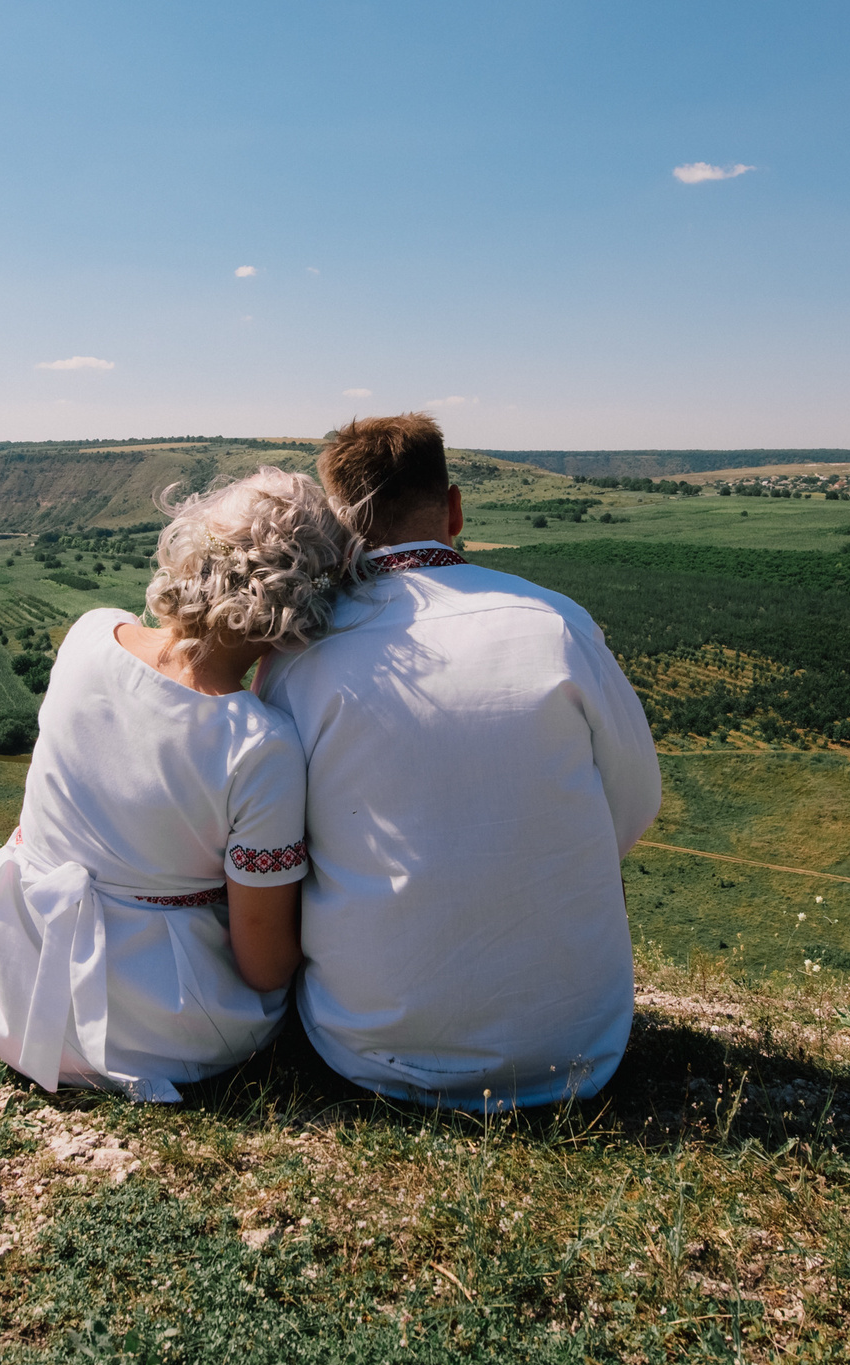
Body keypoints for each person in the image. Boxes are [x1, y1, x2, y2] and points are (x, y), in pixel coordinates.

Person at [257, 414, 661, 1108]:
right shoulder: (557, 623)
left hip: (366, 1044)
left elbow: (276, 840)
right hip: (578, 1045)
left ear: (339, 523)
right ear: (453, 507)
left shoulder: (300, 656)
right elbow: (633, 805)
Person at [0, 468, 357, 1102]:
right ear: (304, 609)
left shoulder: (90, 633)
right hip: (151, 1026)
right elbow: (265, 966)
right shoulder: (258, 745)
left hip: (11, 972)